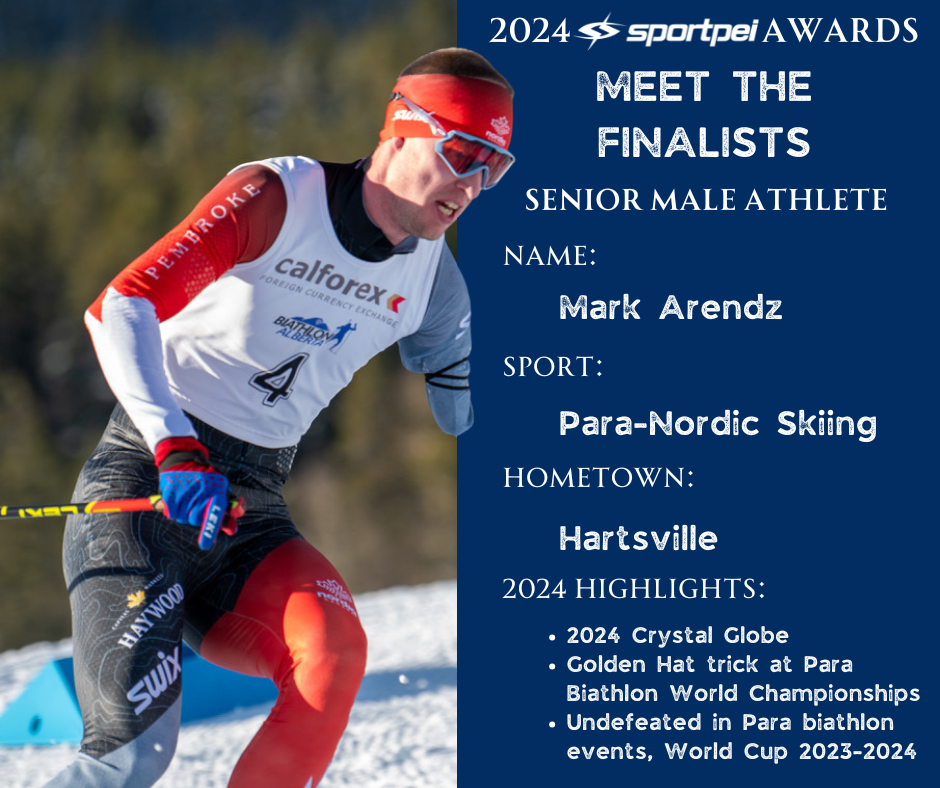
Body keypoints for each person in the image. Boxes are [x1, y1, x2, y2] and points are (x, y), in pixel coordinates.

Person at [46, 47, 514, 788]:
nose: (473, 184)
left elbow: (458, 365)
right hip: (146, 484)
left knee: (333, 654)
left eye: (495, 167)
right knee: (131, 757)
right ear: (401, 130)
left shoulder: (432, 276)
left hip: (249, 509)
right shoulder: (278, 197)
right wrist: (174, 448)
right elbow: (120, 306)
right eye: (461, 154)